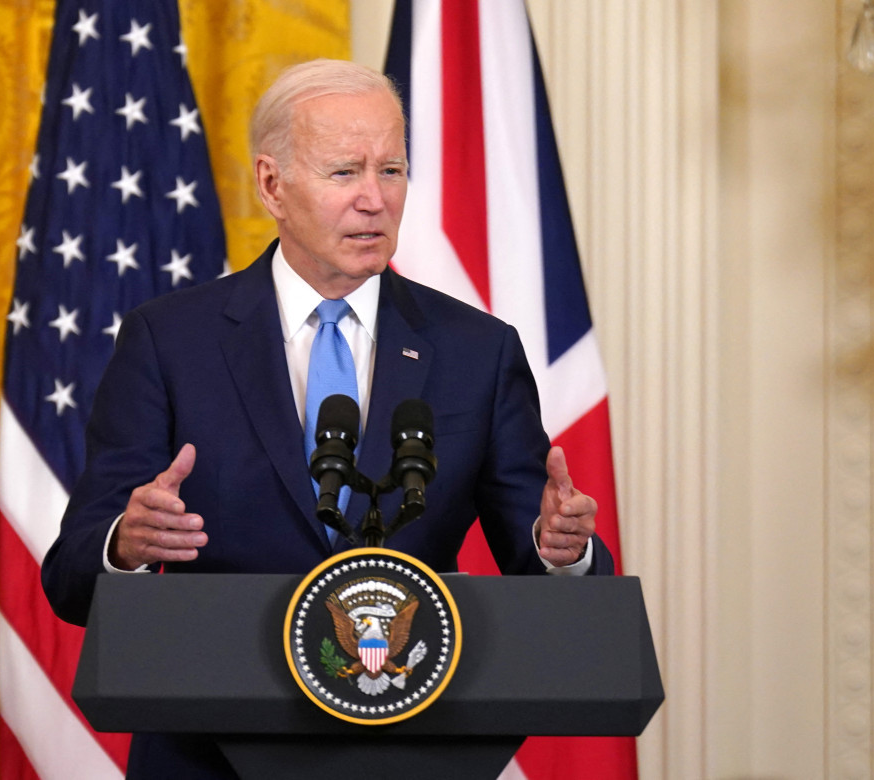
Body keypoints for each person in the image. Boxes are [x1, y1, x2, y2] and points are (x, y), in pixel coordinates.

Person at [41, 58, 614, 778]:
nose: (375, 200)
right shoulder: (170, 342)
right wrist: (126, 541)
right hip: (208, 755)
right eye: (345, 173)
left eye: (392, 170)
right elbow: (69, 577)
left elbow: (549, 571)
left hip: (412, 751)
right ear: (271, 184)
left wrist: (563, 551)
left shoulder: (479, 353)